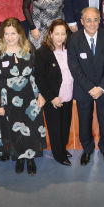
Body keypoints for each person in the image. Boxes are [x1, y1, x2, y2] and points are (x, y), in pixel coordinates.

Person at [0, 18, 45, 174]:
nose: (10, 37)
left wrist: (41, 94)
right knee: (13, 129)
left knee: (31, 128)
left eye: (13, 33)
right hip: (7, 98)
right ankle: (19, 157)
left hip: (30, 96)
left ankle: (31, 158)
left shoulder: (29, 47)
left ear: (19, 33)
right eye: (6, 34)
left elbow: (39, 73)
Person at [67, 7, 104, 166]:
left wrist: (101, 87)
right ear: (82, 22)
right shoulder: (73, 39)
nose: (92, 23)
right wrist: (89, 87)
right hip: (83, 89)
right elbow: (74, 67)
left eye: (95, 20)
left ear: (100, 20)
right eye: (88, 20)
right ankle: (87, 150)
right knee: (84, 122)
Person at [34, 19, 73, 166]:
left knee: (65, 126)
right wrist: (51, 97)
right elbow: (40, 78)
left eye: (63, 34)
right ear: (50, 33)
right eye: (57, 34)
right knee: (55, 128)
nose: (60, 37)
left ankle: (62, 148)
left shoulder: (69, 49)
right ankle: (58, 155)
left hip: (68, 94)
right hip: (53, 97)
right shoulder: (43, 52)